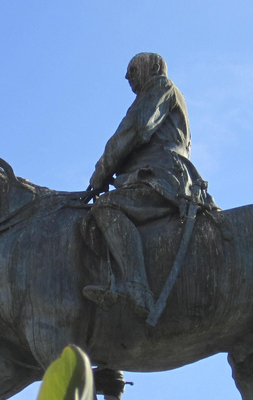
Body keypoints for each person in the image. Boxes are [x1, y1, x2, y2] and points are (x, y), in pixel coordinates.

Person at [83, 52, 217, 317]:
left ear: (154, 67)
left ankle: (137, 287)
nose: (127, 76)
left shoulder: (160, 86)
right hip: (156, 175)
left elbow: (136, 129)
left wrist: (101, 173)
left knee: (106, 208)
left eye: (133, 68)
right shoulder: (164, 92)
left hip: (162, 177)